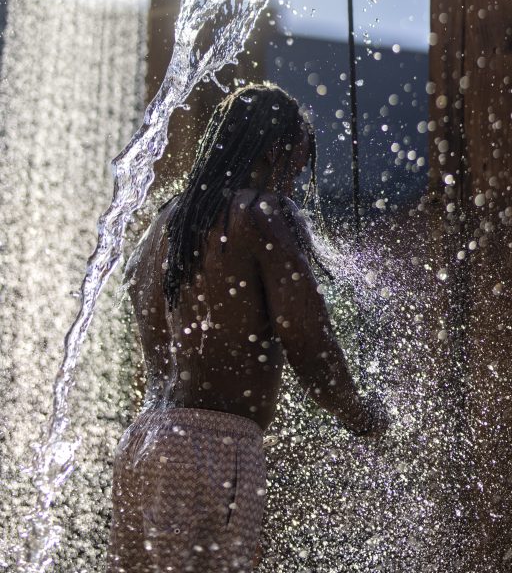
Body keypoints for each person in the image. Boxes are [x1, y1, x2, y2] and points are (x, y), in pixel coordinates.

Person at [107, 83, 387, 573]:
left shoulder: (164, 224)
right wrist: (358, 413)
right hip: (213, 450)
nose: (295, 184)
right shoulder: (260, 214)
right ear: (274, 150)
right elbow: (306, 337)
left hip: (144, 446)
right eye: (295, 168)